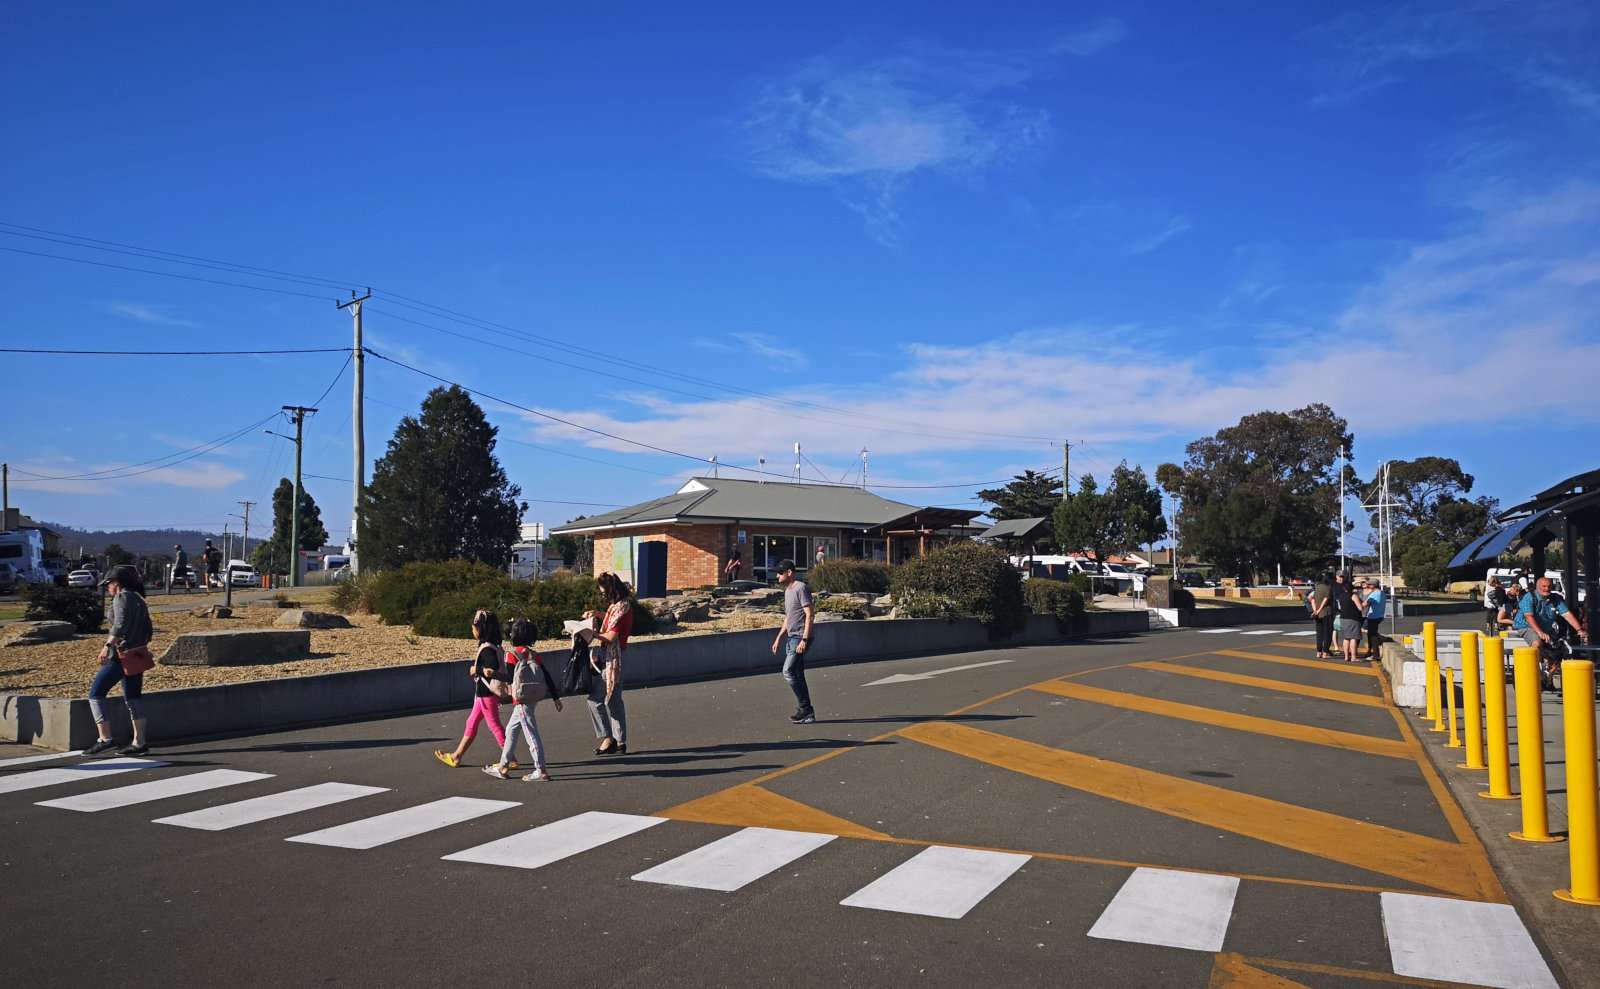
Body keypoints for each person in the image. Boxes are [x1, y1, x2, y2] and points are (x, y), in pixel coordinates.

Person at [84, 565, 155, 756]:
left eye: (108, 583)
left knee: (96, 693)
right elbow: (148, 629)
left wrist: (106, 647)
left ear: (117, 583)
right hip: (137, 654)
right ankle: (139, 743)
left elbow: (119, 624)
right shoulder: (139, 599)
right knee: (133, 697)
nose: (107, 588)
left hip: (120, 655)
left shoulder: (121, 597)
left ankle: (105, 738)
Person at [484, 618, 563, 782]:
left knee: (531, 734)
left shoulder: (512, 654)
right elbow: (546, 675)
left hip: (520, 699)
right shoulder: (533, 654)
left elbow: (510, 677)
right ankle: (503, 766)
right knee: (511, 730)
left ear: (515, 635)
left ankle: (540, 770)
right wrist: (555, 697)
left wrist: (493, 674)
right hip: (533, 696)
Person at [435, 610, 510, 768]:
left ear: (481, 628)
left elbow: (490, 667)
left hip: (486, 694)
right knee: (472, 722)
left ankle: (509, 757)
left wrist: (476, 669)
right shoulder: (495, 646)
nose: (472, 630)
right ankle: (456, 756)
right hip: (484, 694)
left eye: (474, 627)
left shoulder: (487, 648)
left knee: (494, 725)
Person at [583, 572, 633, 755]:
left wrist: (589, 632)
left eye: (604, 592)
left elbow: (611, 635)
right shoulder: (620, 606)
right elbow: (612, 621)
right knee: (614, 700)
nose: (603, 595)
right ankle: (620, 740)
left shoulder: (620, 609)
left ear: (612, 590)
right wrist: (597, 613)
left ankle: (607, 738)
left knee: (595, 700)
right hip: (618, 656)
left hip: (613, 658)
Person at [770, 558, 815, 723]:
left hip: (800, 638)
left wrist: (805, 639)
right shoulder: (788, 591)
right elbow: (789, 618)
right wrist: (779, 638)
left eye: (780, 573)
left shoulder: (800, 588)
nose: (777, 576)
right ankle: (807, 711)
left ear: (790, 573)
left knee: (787, 671)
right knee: (797, 674)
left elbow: (810, 614)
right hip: (791, 637)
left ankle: (805, 708)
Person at [1512, 576, 1587, 651]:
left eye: (1549, 586)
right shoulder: (1529, 597)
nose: (1547, 589)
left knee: (1559, 647)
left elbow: (1567, 614)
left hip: (1545, 628)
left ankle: (1552, 661)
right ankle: (1533, 661)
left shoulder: (1555, 598)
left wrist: (1579, 630)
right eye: (1544, 586)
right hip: (1526, 626)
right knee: (1537, 643)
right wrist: (1540, 632)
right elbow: (1528, 617)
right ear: (1537, 587)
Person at [1336, 573, 1363, 663]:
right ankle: (1353, 657)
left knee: (1346, 638)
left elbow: (1339, 607)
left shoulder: (1341, 596)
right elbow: (1360, 608)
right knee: (1354, 638)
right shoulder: (1353, 596)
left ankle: (1346, 656)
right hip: (1353, 618)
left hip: (1343, 618)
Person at [1310, 572, 1335, 659]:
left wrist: (1315, 611)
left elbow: (1311, 599)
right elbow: (1326, 599)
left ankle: (1319, 652)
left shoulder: (1317, 588)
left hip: (1317, 614)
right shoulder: (1328, 588)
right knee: (1327, 633)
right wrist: (1320, 609)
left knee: (1319, 633)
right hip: (1326, 613)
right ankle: (1325, 652)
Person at [1360, 580, 1387, 658]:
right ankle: (1370, 651)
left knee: (1372, 636)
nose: (1368, 586)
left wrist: (1356, 601)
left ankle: (1375, 655)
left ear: (1373, 585)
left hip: (1373, 617)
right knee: (1370, 634)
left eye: (1369, 585)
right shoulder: (1382, 593)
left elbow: (1365, 604)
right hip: (1380, 616)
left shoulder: (1374, 594)